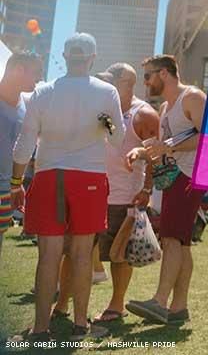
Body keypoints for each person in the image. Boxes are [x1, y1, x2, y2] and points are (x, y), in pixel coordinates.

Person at [11, 33, 124, 341]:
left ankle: (40, 328)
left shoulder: (43, 91)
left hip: (49, 176)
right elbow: (116, 137)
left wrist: (15, 182)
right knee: (82, 254)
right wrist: (101, 120)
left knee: (48, 256)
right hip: (88, 177)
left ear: (63, 56)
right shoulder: (106, 92)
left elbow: (24, 147)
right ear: (92, 58)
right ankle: (80, 325)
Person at [126, 54, 206, 325]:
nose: (146, 83)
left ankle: (160, 301)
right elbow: (162, 146)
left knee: (172, 239)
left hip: (189, 176)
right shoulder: (165, 108)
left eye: (148, 76)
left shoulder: (192, 97)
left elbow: (206, 135)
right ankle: (178, 307)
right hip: (175, 177)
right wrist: (142, 150)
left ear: (164, 74)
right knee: (181, 243)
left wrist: (168, 146)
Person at [92, 64, 160, 324]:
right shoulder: (104, 111)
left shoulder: (143, 114)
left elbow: (155, 154)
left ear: (127, 84)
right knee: (83, 250)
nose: (106, 86)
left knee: (120, 255)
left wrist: (146, 189)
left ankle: (116, 305)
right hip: (96, 193)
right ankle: (65, 302)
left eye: (113, 82)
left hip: (125, 197)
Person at [0, 52, 41, 262]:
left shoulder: (26, 106)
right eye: (35, 74)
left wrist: (16, 185)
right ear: (18, 70)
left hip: (6, 188)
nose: (38, 79)